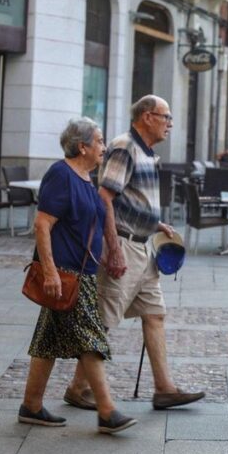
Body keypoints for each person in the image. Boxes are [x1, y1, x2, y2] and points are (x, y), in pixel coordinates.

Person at [67, 96, 204, 412]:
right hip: (125, 246)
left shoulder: (147, 152)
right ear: (147, 116)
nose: (170, 123)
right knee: (104, 319)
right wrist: (112, 248)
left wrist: (155, 222)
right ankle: (77, 387)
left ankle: (164, 389)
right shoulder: (125, 146)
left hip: (145, 246)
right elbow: (105, 198)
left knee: (154, 314)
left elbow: (130, 200)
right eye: (166, 117)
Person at [19, 117, 137, 434]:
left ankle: (31, 406)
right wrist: (50, 272)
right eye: (99, 141)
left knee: (47, 340)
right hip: (65, 273)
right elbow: (42, 225)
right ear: (82, 146)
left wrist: (110, 253)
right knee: (90, 339)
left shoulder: (86, 177)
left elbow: (92, 225)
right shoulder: (62, 174)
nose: (105, 146)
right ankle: (107, 411)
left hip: (82, 272)